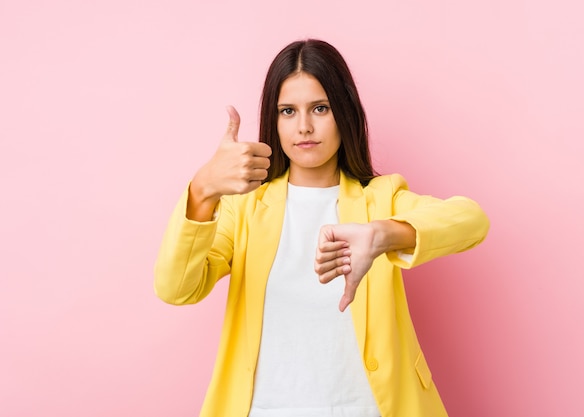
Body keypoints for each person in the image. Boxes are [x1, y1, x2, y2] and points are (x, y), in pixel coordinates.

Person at [154, 39, 490, 417]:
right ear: (273, 119)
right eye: (287, 111)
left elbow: (471, 221)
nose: (304, 127)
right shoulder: (244, 208)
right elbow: (175, 288)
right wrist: (203, 191)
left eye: (320, 108)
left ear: (343, 113)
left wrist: (382, 234)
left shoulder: (380, 198)